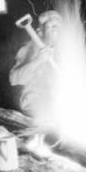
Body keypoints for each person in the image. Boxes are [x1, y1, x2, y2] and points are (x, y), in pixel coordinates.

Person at [9, 10, 62, 154]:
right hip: (35, 101)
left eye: (58, 26)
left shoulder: (66, 51)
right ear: (40, 32)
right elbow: (14, 79)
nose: (56, 30)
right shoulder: (29, 49)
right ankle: (38, 144)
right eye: (51, 26)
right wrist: (38, 61)